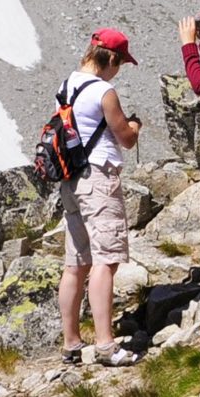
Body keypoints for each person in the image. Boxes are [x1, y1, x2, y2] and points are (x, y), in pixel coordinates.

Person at [56, 29, 145, 366]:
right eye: (120, 63)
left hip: (71, 180)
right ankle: (107, 346)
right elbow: (125, 138)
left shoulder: (66, 86)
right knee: (105, 261)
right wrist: (135, 125)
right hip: (98, 178)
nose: (119, 70)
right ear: (111, 59)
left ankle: (72, 344)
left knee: (76, 263)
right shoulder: (104, 91)